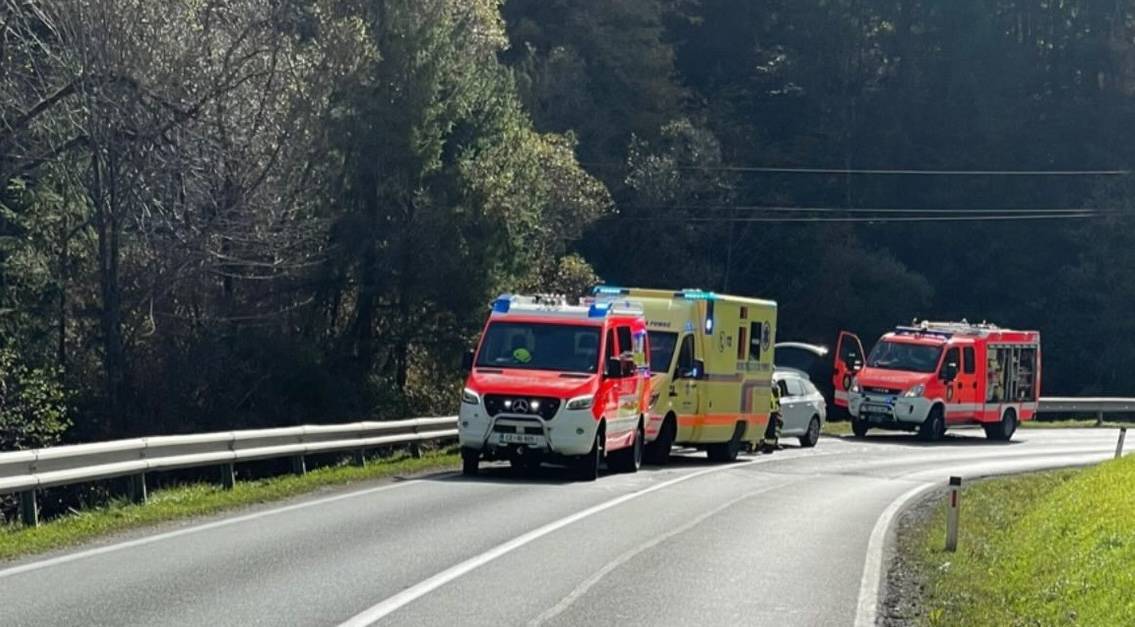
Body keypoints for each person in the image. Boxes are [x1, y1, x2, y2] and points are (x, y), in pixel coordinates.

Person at [760, 382, 783, 453]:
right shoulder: (775, 387)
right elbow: (778, 399)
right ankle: (770, 446)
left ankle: (767, 446)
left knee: (768, 430)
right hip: (774, 410)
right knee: (771, 430)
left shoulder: (768, 386)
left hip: (768, 410)